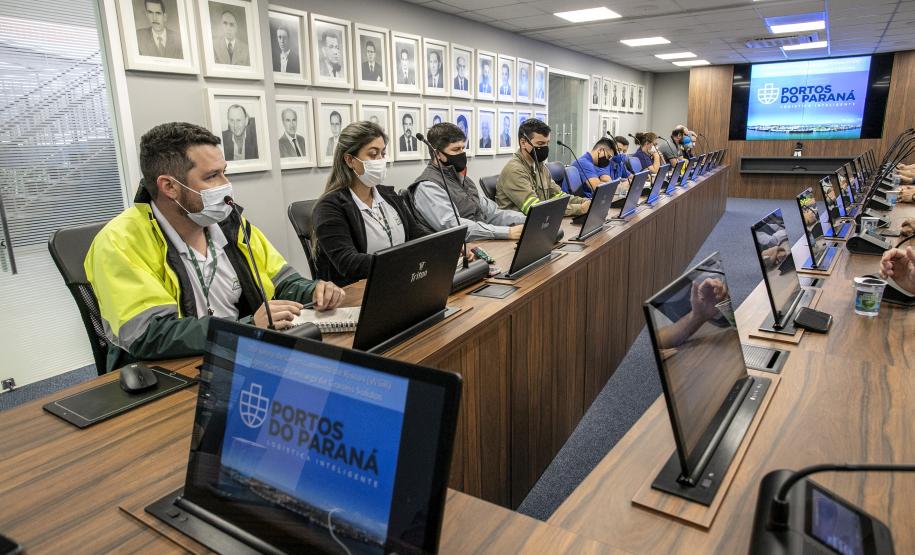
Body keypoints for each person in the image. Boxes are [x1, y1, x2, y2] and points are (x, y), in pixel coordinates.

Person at [85, 122, 344, 373]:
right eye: (211, 176)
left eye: (224, 172)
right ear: (169, 186)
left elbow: (283, 282)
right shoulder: (120, 241)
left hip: (238, 357)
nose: (225, 185)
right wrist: (248, 326)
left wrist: (315, 290)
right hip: (171, 374)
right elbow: (150, 334)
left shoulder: (230, 223)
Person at [313, 121, 426, 286]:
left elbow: (417, 236)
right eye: (373, 154)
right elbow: (349, 263)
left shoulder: (389, 196)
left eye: (382, 153)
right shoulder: (329, 208)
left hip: (400, 284)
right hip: (358, 295)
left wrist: (446, 248)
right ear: (350, 160)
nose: (380, 160)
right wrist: (403, 263)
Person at [409, 122, 525, 241]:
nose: (462, 154)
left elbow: (492, 213)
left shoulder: (463, 180)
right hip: (457, 251)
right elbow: (454, 227)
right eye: (456, 149)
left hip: (482, 242)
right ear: (437, 154)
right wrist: (507, 232)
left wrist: (527, 219)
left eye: (463, 148)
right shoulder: (427, 186)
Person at [496, 119, 589, 217]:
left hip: (541, 223)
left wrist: (584, 201)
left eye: (547, 143)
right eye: (540, 144)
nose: (545, 147)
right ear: (523, 143)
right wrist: (580, 209)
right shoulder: (514, 170)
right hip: (519, 228)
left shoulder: (540, 166)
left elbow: (558, 196)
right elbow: (536, 210)